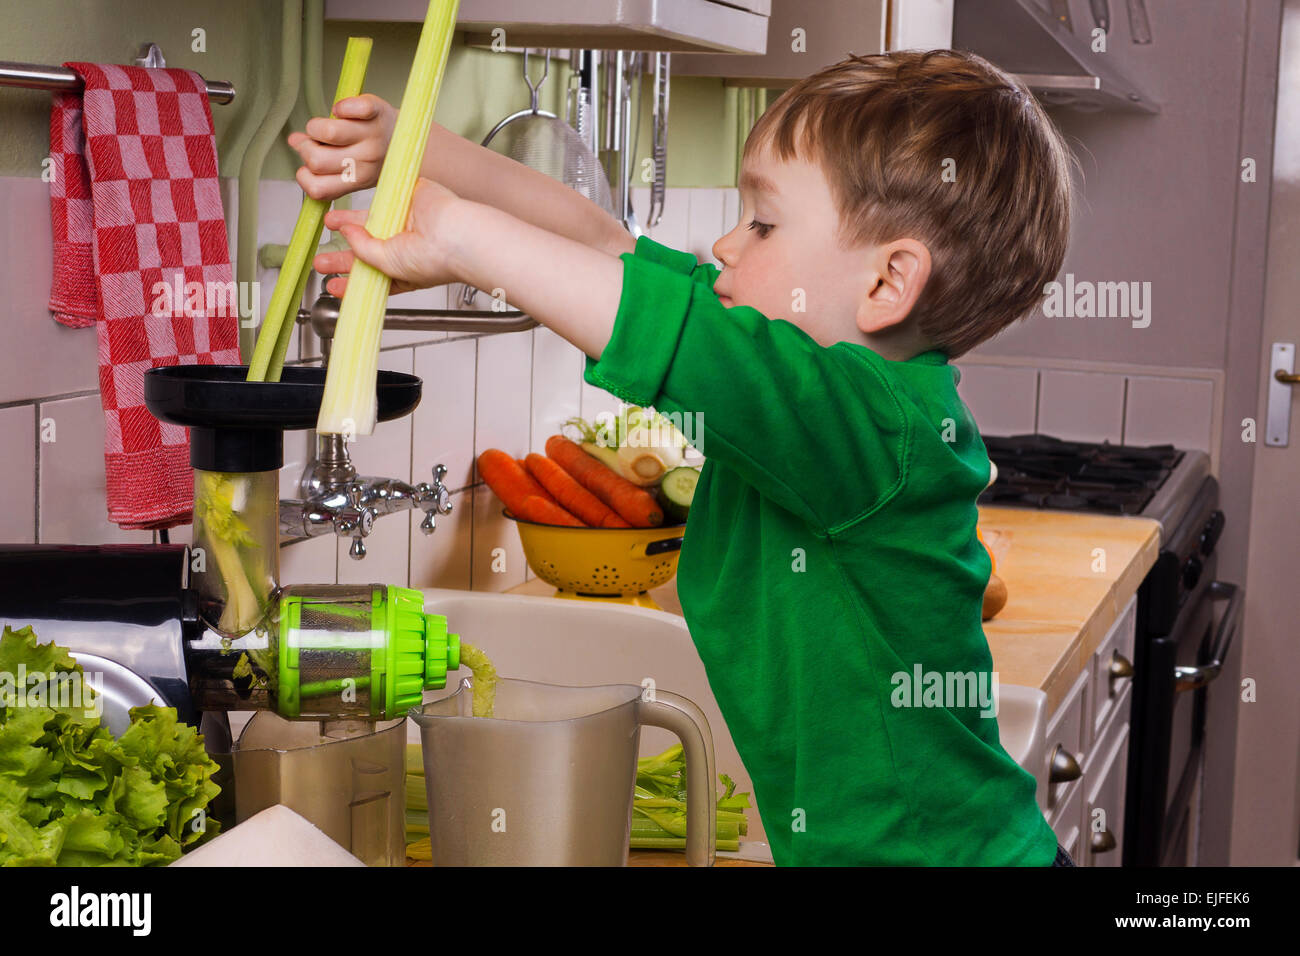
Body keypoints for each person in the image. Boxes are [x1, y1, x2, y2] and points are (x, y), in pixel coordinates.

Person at [292, 48, 1077, 866]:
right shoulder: (803, 404)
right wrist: (417, 152)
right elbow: (606, 246)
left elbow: (659, 326)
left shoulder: (871, 423)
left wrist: (457, 235)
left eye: (764, 225)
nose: (725, 243)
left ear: (887, 283)